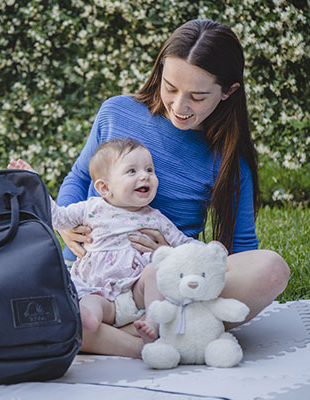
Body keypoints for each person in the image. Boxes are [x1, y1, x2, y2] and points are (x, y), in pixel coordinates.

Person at [51, 19, 290, 358]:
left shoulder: (228, 163)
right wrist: (67, 229)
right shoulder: (117, 112)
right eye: (171, 87)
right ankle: (148, 340)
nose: (179, 106)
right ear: (160, 71)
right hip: (92, 277)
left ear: (228, 92)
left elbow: (237, 255)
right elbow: (77, 178)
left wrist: (179, 256)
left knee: (271, 269)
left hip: (162, 285)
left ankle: (105, 332)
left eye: (197, 96)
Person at [9, 138, 199, 343]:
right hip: (98, 291)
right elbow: (58, 218)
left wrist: (210, 251)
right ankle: (88, 319)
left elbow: (183, 243)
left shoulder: (155, 218)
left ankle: (152, 320)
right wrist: (33, 184)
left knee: (154, 273)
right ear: (104, 188)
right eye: (132, 171)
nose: (145, 176)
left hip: (135, 295)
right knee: (89, 307)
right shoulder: (91, 208)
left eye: (150, 170)